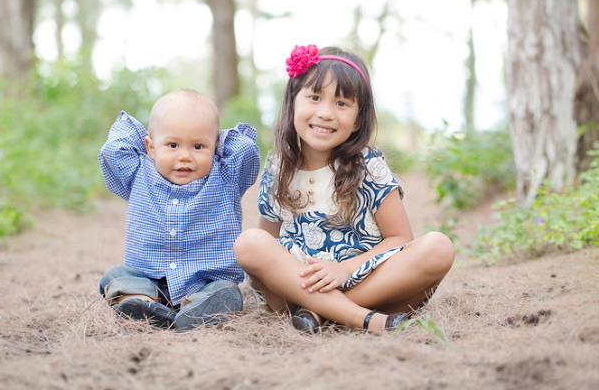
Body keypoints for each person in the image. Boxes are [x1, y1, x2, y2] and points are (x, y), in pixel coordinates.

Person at [233, 45, 455, 334]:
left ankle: (322, 314)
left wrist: (345, 269)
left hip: (366, 283)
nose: (326, 113)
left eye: (341, 103)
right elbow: (268, 242)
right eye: (314, 97)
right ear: (293, 102)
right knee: (249, 242)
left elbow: (399, 239)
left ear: (358, 119)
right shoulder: (279, 166)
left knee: (438, 247)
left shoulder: (368, 166)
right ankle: (360, 318)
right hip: (299, 288)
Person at [98, 88, 260, 330]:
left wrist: (219, 144)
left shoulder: (226, 175)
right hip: (149, 279)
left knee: (225, 289)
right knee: (116, 275)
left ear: (215, 147)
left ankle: (196, 308)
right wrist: (155, 142)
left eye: (198, 146)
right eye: (172, 145)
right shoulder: (138, 173)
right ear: (151, 148)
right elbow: (113, 150)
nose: (185, 156)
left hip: (204, 283)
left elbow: (246, 150)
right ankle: (143, 303)